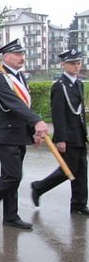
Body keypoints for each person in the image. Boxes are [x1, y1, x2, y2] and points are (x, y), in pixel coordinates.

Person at [0, 39, 48, 230]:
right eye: (17, 54)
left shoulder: (19, 77)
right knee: (13, 175)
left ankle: (10, 216)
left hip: (19, 133)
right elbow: (12, 103)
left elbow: (24, 105)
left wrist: (32, 130)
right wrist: (36, 121)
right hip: (6, 133)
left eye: (22, 54)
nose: (22, 57)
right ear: (6, 57)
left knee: (11, 177)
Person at [31, 49, 89, 216]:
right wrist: (61, 139)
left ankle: (79, 204)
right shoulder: (59, 86)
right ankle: (38, 187)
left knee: (81, 170)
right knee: (68, 169)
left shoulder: (78, 83)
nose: (76, 66)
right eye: (72, 63)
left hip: (79, 135)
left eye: (78, 63)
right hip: (68, 136)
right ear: (63, 65)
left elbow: (78, 113)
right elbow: (58, 114)